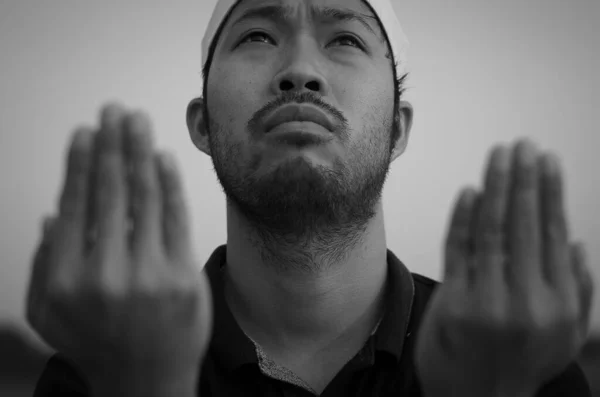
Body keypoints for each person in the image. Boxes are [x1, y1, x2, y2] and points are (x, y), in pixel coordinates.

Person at [28, 0, 595, 396]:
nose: (300, 71)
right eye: (257, 35)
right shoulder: (102, 366)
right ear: (202, 125)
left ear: (397, 129)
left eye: (345, 38)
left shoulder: (517, 361)